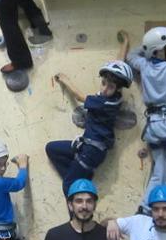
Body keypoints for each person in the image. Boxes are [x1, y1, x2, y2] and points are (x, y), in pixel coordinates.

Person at [119, 28, 166, 217]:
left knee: (160, 171)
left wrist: (147, 50)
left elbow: (132, 56)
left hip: (152, 127)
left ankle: (145, 207)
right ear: (160, 50)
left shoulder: (144, 66)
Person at [46, 61, 133, 195]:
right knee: (52, 148)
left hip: (92, 150)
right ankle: (81, 180)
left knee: (68, 186)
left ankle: (76, 206)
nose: (104, 89)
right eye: (103, 83)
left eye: (110, 87)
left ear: (118, 89)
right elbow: (119, 61)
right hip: (85, 146)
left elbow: (79, 97)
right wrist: (125, 42)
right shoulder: (113, 98)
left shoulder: (105, 102)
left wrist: (65, 80)